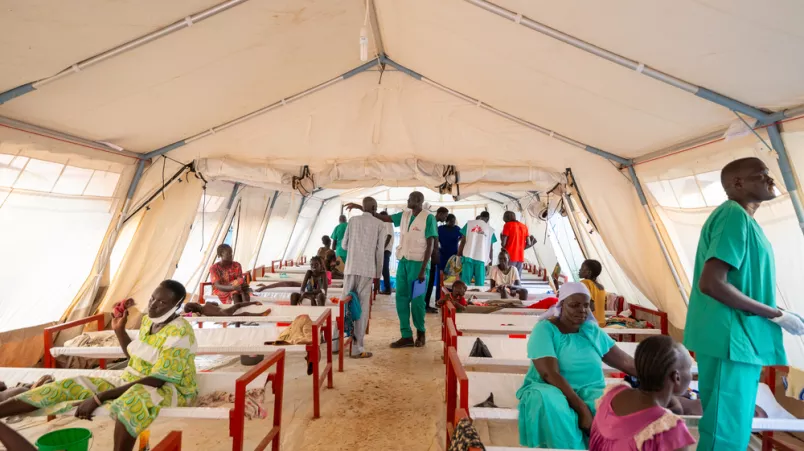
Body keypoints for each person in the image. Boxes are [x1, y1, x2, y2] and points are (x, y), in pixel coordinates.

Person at [684, 157, 804, 451]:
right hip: (731, 339)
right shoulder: (732, 216)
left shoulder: (745, 221)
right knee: (726, 432)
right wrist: (776, 314)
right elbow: (711, 283)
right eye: (761, 175)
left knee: (729, 426)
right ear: (737, 183)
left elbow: (740, 282)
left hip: (737, 338)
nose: (771, 180)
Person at [0, 280, 197, 451]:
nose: (154, 305)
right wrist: (119, 329)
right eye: (153, 298)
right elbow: (135, 354)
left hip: (170, 388)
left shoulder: (180, 333)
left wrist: (98, 398)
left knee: (129, 405)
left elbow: (159, 379)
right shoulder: (148, 321)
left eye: (162, 302)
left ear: (177, 305)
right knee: (71, 384)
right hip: (133, 378)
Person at [516, 282, 636, 449]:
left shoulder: (591, 331)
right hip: (550, 389)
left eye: (586, 305)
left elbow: (627, 363)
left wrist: (660, 377)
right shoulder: (545, 330)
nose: (582, 310)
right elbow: (549, 374)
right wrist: (581, 409)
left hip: (590, 391)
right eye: (575, 305)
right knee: (549, 401)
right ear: (562, 304)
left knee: (617, 404)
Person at [346, 191, 437, 348]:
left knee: (417, 302)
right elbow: (385, 218)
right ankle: (406, 335)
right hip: (403, 263)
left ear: (418, 201)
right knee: (400, 299)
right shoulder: (405, 215)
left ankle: (420, 333)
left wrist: (423, 270)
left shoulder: (428, 217)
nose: (407, 200)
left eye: (410, 198)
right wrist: (363, 209)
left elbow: (431, 244)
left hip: (418, 266)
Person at [589, 335, 697, 450]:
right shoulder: (669, 430)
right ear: (677, 377)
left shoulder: (611, 395)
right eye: (689, 368)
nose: (691, 374)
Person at [340, 196, 387, 358]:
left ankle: (335, 344)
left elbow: (344, 245)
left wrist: (355, 250)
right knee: (361, 308)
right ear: (374, 207)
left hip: (351, 267)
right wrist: (378, 274)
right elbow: (379, 252)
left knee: (344, 305)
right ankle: (357, 348)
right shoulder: (380, 225)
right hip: (367, 270)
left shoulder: (352, 221)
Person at [457, 213, 497, 286]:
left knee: (465, 284)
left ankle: (464, 297)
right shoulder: (490, 230)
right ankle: (478, 297)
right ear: (488, 219)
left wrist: (458, 256)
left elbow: (462, 242)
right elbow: (491, 249)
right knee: (480, 285)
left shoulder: (469, 224)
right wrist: (490, 264)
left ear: (480, 217)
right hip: (481, 259)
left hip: (468, 257)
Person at [424, 207, 450, 313]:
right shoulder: (433, 222)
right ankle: (425, 305)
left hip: (433, 254)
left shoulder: (434, 222)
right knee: (429, 282)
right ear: (440, 213)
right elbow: (433, 239)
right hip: (431, 256)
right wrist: (435, 254)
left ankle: (426, 304)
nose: (446, 217)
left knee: (430, 281)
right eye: (445, 215)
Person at [501, 211, 536, 277]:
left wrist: (501, 238)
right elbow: (529, 243)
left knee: (509, 277)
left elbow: (503, 243)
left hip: (509, 256)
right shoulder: (524, 226)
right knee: (517, 278)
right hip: (520, 256)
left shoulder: (507, 225)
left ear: (506, 218)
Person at [579, 259, 607, 327]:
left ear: (589, 272)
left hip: (590, 323)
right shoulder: (601, 287)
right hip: (601, 322)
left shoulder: (585, 283)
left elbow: (590, 306)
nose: (579, 270)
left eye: (582, 268)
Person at [184, 301, 271, 317]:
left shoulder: (204, 314)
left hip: (224, 315)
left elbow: (192, 315)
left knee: (244, 313)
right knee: (238, 305)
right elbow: (217, 304)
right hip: (225, 312)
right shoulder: (207, 304)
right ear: (197, 303)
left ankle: (261, 313)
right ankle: (254, 303)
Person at [379, 211, 394, 295]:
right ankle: (386, 288)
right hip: (385, 249)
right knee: (384, 269)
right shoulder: (385, 223)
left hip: (386, 250)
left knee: (385, 269)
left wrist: (382, 248)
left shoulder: (387, 222)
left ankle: (388, 289)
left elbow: (389, 236)